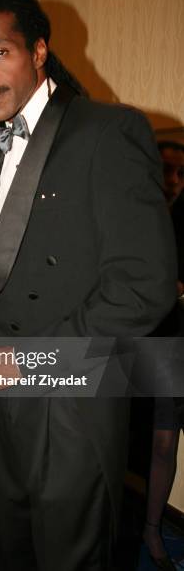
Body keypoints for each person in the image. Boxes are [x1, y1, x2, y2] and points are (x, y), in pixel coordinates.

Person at [0, 0, 177, 570]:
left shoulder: (108, 131)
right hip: (0, 395)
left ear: (39, 50)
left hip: (71, 401)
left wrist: (33, 361)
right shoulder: (0, 145)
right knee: (7, 549)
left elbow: (144, 286)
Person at [143, 141, 184, 570]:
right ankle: (152, 530)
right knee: (162, 441)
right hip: (163, 346)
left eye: (179, 172)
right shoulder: (141, 216)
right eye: (166, 170)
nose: (172, 180)